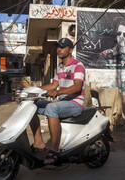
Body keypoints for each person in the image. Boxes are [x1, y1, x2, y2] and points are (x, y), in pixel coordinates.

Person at [29, 37, 85, 165]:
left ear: (70, 50)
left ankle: (54, 150)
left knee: (51, 108)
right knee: (32, 105)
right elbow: (53, 85)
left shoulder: (78, 65)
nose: (58, 49)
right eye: (58, 47)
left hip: (76, 103)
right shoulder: (59, 67)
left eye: (62, 47)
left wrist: (58, 92)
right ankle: (38, 142)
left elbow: (77, 87)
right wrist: (34, 90)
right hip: (63, 101)